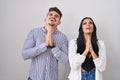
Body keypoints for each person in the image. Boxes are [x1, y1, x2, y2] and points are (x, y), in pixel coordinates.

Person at [22, 7, 68, 80]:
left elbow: (65, 61)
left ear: (59, 22)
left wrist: (54, 47)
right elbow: (25, 54)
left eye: (56, 16)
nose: (53, 16)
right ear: (45, 19)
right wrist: (44, 45)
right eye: (50, 14)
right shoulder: (34, 32)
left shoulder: (63, 38)